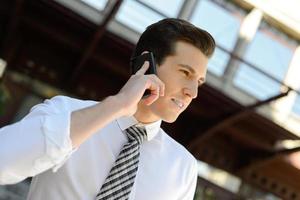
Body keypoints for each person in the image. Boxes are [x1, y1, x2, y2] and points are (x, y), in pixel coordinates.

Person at [0, 18, 215, 199]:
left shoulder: (183, 167)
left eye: (199, 82)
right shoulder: (64, 112)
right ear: (146, 64)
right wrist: (117, 105)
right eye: (186, 73)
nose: (192, 92)